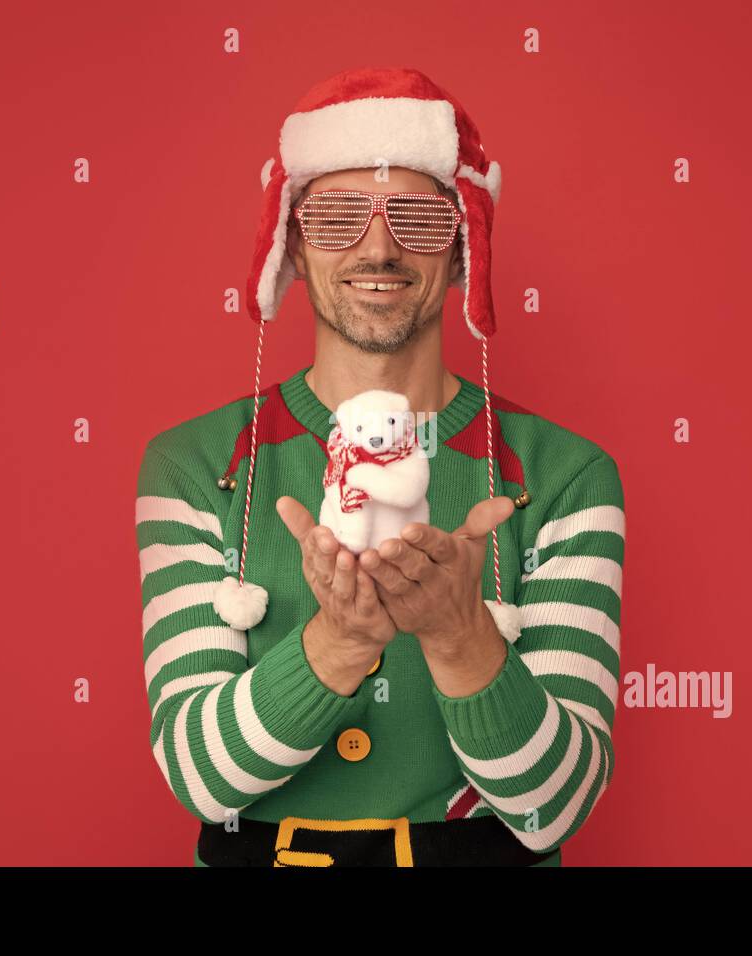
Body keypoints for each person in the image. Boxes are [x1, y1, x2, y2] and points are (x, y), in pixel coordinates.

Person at [135, 67, 625, 867]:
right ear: (291, 242)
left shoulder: (565, 475)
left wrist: (460, 632)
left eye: (418, 221)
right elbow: (199, 780)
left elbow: (554, 807)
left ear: (466, 245)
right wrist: (341, 638)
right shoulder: (196, 465)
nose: (379, 247)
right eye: (334, 216)